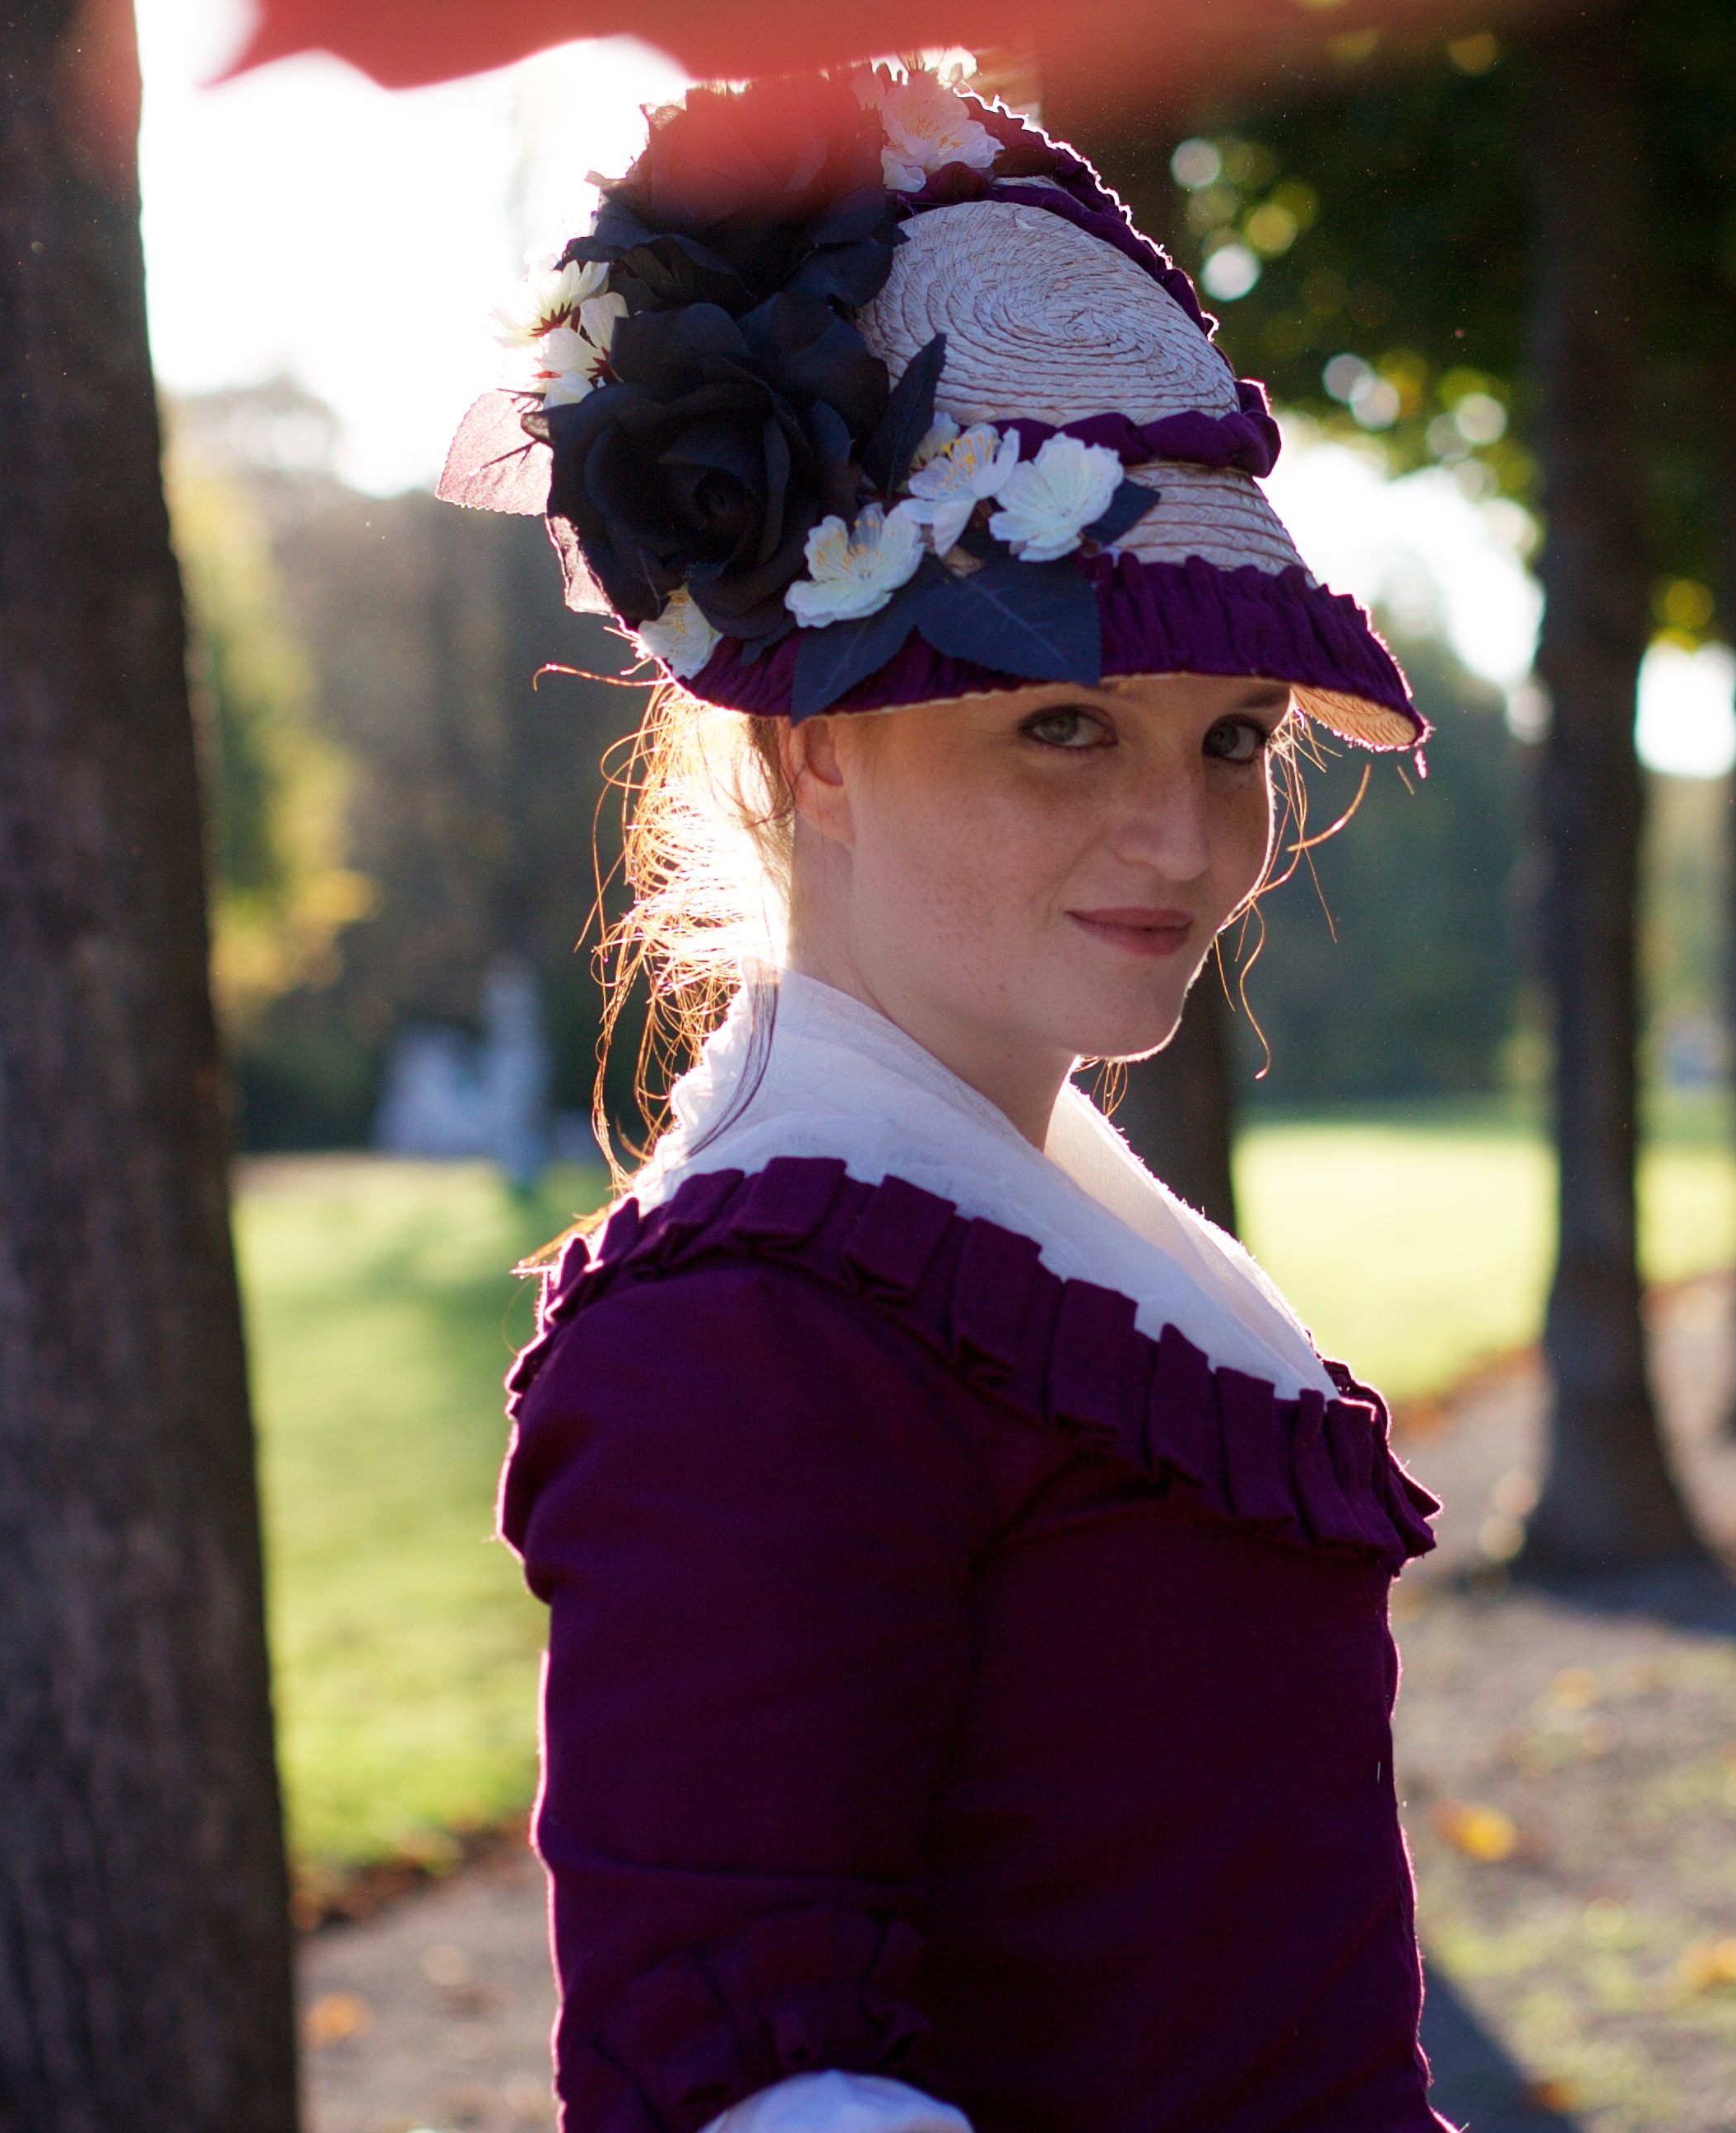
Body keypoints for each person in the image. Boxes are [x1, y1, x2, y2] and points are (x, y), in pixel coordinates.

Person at [435, 67, 1450, 2133]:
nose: (1182, 837)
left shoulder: (1010, 1249)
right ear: (810, 744)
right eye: (1064, 724)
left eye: (1234, 736)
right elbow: (751, 2083)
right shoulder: (752, 1339)